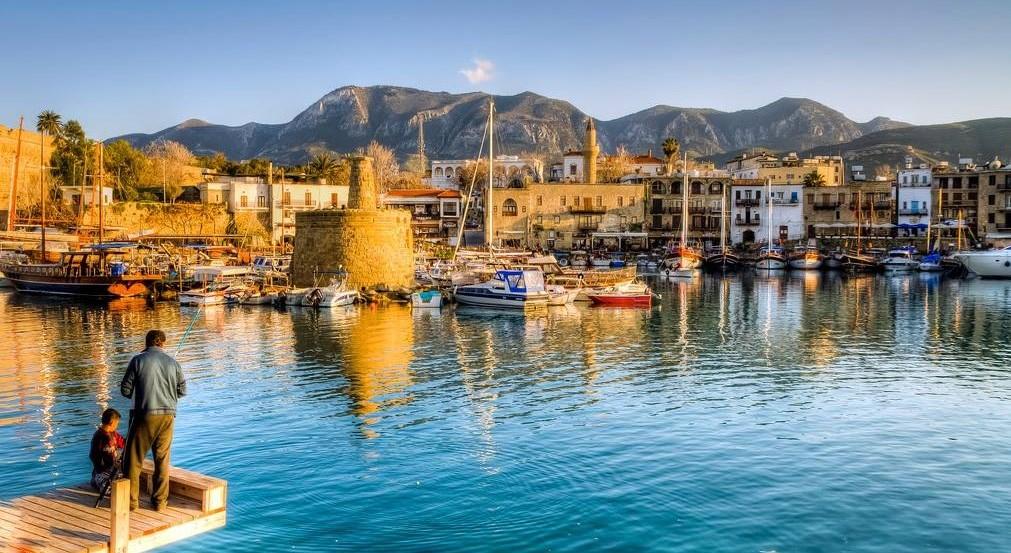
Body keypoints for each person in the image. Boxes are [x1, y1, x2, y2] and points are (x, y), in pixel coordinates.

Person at [121, 329, 187, 512]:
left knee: (133, 459)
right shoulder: (174, 363)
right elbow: (182, 391)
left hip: (144, 414)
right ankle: (159, 502)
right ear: (163, 343)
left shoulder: (138, 360)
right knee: (162, 459)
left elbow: (125, 390)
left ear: (147, 343)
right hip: (168, 416)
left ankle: (131, 503)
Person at [89, 408, 125, 491]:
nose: (117, 426)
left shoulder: (114, 434)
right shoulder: (99, 437)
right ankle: (98, 480)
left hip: (112, 468)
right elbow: (93, 456)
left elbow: (123, 442)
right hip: (102, 471)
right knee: (109, 488)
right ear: (112, 423)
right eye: (117, 423)